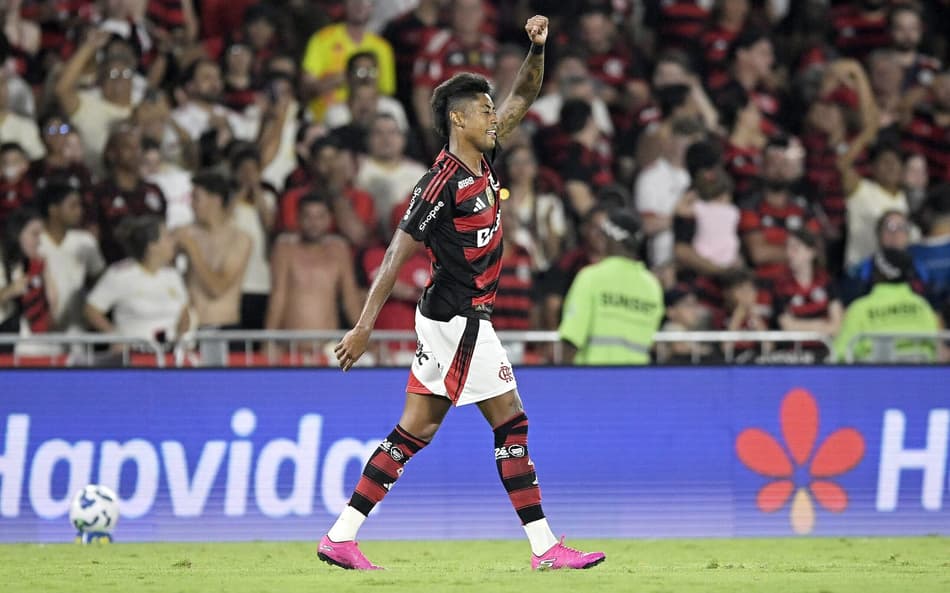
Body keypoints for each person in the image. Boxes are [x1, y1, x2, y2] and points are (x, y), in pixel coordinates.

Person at [324, 16, 606, 572]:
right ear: (457, 117)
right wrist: (364, 325)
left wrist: (536, 48)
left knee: (414, 431)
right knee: (510, 422)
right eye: (483, 109)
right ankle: (546, 547)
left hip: (458, 321)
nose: (493, 117)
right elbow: (395, 253)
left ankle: (341, 535)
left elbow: (525, 91)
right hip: (459, 321)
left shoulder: (485, 161)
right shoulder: (441, 180)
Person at [558, 208, 664, 365]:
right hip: (636, 381)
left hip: (594, 380)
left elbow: (571, 339)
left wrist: (564, 381)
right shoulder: (653, 286)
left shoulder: (590, 278)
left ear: (610, 237)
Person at [266, 193, 362, 334]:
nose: (314, 223)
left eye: (320, 217)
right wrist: (269, 337)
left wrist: (364, 337)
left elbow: (350, 298)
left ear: (329, 219)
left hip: (328, 346)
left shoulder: (339, 250)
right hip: (290, 344)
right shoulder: (285, 248)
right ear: (298, 218)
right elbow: (278, 296)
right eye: (308, 216)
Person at [85, 216, 190, 343]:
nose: (174, 242)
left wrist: (180, 341)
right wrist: (116, 337)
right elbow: (91, 310)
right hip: (133, 357)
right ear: (152, 246)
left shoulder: (172, 275)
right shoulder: (120, 274)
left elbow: (184, 314)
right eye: (168, 237)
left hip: (169, 356)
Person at [834, 248, 940, 363]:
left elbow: (840, 354)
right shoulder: (922, 305)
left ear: (876, 273)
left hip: (872, 379)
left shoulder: (859, 309)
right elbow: (934, 348)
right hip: (921, 378)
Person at [175, 171, 252, 329]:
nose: (191, 204)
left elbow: (217, 289)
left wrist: (192, 249)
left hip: (224, 325)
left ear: (215, 200)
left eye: (196, 198)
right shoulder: (185, 232)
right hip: (190, 327)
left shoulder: (239, 239)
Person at [36, 182, 105, 332]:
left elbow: (100, 280)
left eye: (80, 206)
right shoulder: (35, 242)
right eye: (73, 206)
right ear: (53, 210)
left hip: (75, 331)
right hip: (36, 334)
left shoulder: (85, 241)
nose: (79, 211)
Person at [0, 208, 56, 352]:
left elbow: (53, 306)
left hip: (23, 341)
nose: (39, 242)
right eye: (34, 234)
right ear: (17, 233)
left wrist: (46, 271)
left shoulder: (30, 265)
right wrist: (10, 291)